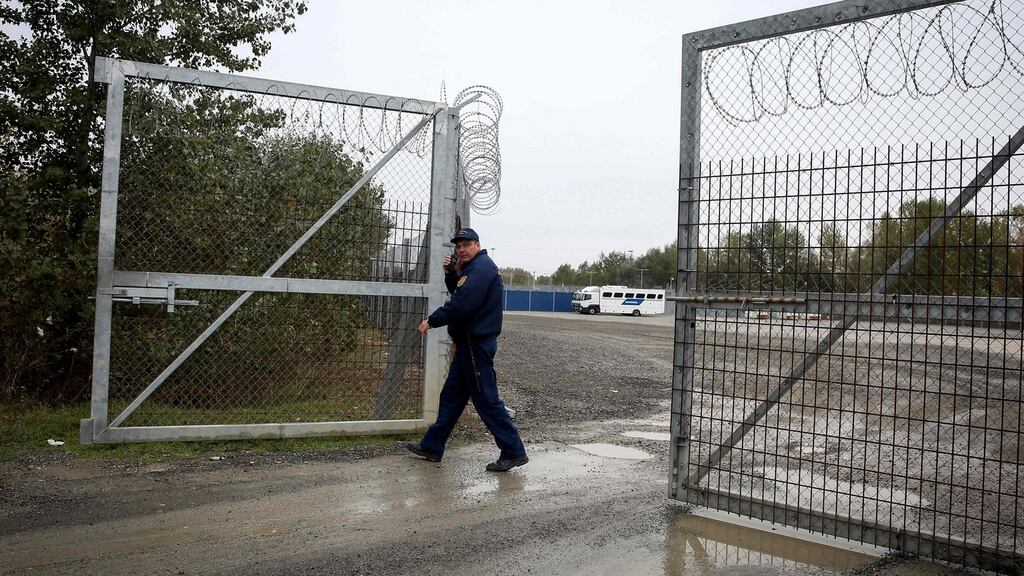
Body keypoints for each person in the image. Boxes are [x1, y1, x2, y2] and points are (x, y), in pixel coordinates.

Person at [405, 227, 528, 472]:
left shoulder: (482, 269)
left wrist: (433, 320)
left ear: (477, 244)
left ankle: (514, 451)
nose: (461, 249)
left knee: (487, 400)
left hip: (476, 346)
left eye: (466, 244)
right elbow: (459, 291)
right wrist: (451, 274)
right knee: (451, 397)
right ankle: (433, 445)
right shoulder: (471, 269)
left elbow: (462, 304)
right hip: (467, 346)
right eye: (458, 246)